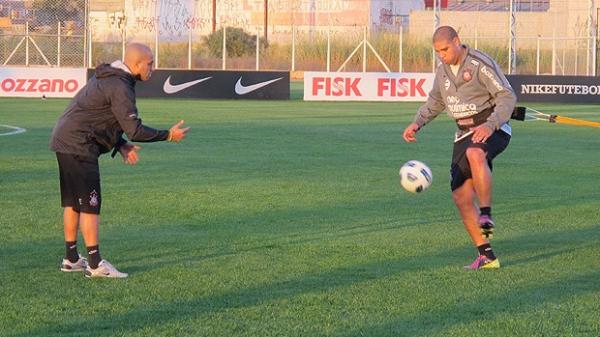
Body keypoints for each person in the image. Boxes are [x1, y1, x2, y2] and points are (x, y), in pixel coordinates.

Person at [50, 43, 190, 278]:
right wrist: (168, 135)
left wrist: (120, 144)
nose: (153, 68)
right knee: (90, 205)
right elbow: (134, 130)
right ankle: (95, 265)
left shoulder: (109, 77)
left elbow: (99, 116)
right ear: (136, 64)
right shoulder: (119, 84)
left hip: (65, 140)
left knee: (74, 202)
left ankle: (72, 258)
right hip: (79, 145)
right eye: (150, 63)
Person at [402, 26, 516, 270]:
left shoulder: (480, 64)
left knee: (476, 153)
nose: (442, 55)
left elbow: (507, 96)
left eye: (445, 49)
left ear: (457, 41)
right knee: (461, 196)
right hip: (463, 133)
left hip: (492, 127)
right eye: (437, 52)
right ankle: (487, 257)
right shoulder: (442, 71)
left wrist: (491, 124)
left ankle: (485, 214)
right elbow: (435, 102)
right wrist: (416, 123)